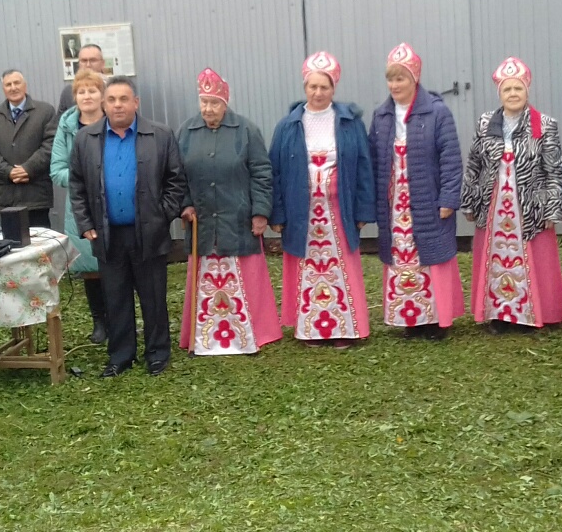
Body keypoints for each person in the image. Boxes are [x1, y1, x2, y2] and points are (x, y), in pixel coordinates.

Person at [69, 76, 188, 377]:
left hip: (148, 231)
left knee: (153, 297)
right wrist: (85, 223)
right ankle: (121, 356)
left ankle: (158, 354)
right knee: (116, 297)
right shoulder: (86, 139)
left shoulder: (160, 135)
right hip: (108, 234)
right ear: (103, 104)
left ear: (136, 102)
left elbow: (176, 181)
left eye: (124, 99)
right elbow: (77, 184)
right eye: (112, 100)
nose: (118, 104)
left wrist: (162, 216)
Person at [269, 51, 375, 349]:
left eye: (324, 87)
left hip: (338, 211)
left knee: (342, 266)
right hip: (302, 212)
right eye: (312, 87)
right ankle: (310, 328)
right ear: (305, 87)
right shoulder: (288, 125)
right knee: (308, 268)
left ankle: (346, 327)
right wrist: (277, 214)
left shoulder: (349, 123)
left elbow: (364, 167)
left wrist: (363, 208)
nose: (318, 93)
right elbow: (275, 171)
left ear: (334, 89)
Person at [177, 68, 281, 355]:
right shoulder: (186, 131)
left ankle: (253, 332)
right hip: (203, 219)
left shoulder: (246, 130)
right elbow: (177, 175)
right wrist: (185, 204)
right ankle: (206, 335)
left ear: (226, 103)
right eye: (204, 102)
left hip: (238, 216)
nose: (208, 109)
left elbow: (262, 172)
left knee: (246, 273)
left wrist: (261, 211)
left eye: (215, 103)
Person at [461, 57, 562, 333]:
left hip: (531, 208)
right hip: (493, 208)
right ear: (500, 93)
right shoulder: (486, 123)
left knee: (535, 260)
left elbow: (554, 170)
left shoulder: (543, 124)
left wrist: (552, 208)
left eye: (517, 89)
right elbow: (474, 164)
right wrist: (470, 201)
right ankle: (499, 314)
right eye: (507, 90)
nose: (513, 94)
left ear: (527, 91)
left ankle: (534, 312)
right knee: (497, 260)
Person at [368, 44, 465, 340]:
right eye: (391, 79)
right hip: (395, 204)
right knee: (402, 256)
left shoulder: (437, 112)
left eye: (402, 79)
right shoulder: (382, 115)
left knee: (431, 258)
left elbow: (451, 157)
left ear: (415, 80)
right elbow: (373, 159)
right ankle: (410, 317)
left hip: (427, 199)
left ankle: (436, 320)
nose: (395, 85)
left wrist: (448, 198)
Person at [50, 68, 109, 344]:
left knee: (119, 265)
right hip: (82, 207)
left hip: (115, 204)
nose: (87, 96)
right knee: (91, 267)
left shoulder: (114, 121)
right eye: (81, 91)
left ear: (102, 95)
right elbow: (57, 170)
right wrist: (86, 179)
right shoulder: (67, 125)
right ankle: (100, 322)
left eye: (93, 90)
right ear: (75, 97)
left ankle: (120, 318)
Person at [0, 69, 57, 227]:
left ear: (25, 86)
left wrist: (28, 168)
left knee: (41, 247)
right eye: (8, 84)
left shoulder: (45, 111)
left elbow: (50, 144)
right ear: (3, 88)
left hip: (36, 193)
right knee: (14, 246)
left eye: (17, 83)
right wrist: (8, 172)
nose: (13, 87)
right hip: (7, 195)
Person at [58, 43, 108, 115]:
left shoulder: (112, 88)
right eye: (84, 61)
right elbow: (58, 123)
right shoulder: (68, 92)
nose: (88, 65)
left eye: (93, 60)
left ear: (103, 63)